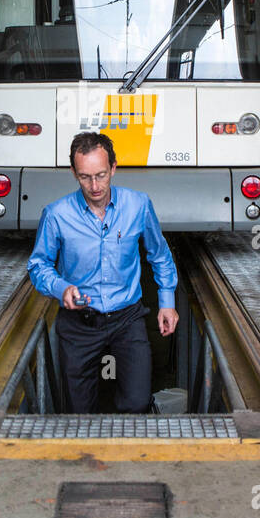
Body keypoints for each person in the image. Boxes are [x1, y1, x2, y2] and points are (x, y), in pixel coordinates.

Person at [27, 132, 179, 414]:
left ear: (114, 168)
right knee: (79, 409)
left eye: (101, 175)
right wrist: (61, 288)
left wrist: (166, 302)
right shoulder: (56, 214)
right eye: (85, 177)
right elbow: (38, 265)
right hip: (79, 323)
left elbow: (159, 256)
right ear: (73, 173)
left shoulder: (138, 205)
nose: (95, 186)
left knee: (136, 403)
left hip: (127, 318)